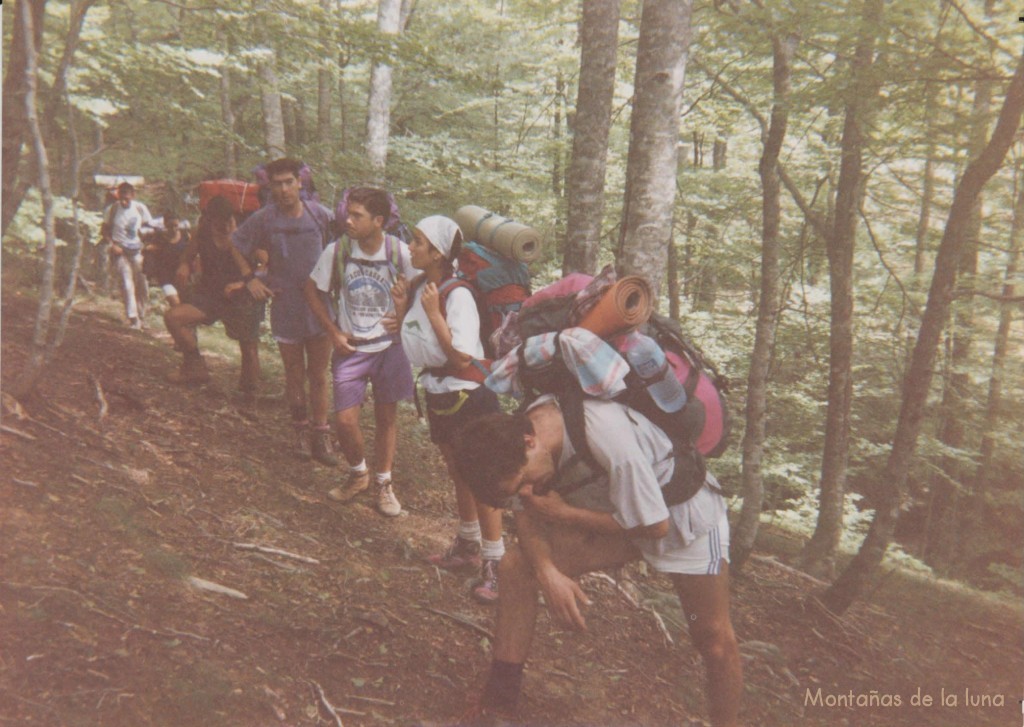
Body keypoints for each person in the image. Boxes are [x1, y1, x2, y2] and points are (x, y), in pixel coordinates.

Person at [450, 396, 743, 726]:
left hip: (683, 520)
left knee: (714, 638)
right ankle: (498, 706)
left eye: (523, 482)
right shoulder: (514, 439)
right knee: (517, 569)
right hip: (613, 516)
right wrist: (547, 573)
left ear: (529, 442)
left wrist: (564, 514)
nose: (527, 492)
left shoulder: (607, 436)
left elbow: (656, 526)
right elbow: (527, 514)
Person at [388, 216, 506, 603]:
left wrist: (435, 315)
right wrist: (403, 310)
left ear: (437, 252)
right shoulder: (426, 286)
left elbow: (459, 356)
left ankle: (496, 564)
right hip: (440, 392)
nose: (411, 246)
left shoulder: (459, 296)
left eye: (418, 241)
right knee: (458, 472)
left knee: (483, 478)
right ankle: (468, 545)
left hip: (468, 395)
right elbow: (418, 340)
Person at [304, 188, 416, 515]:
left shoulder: (400, 252)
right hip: (351, 347)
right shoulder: (338, 251)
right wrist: (333, 330)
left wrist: (405, 316)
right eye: (348, 213)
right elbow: (311, 289)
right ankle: (358, 473)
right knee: (345, 421)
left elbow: (425, 288)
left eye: (357, 216)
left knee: (386, 418)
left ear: (378, 221)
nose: (347, 220)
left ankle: (383, 483)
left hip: (390, 348)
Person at [235, 158, 338, 465]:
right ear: (270, 187)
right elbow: (236, 245)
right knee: (294, 374)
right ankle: (300, 431)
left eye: (288, 182)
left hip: (320, 306)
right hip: (286, 307)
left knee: (319, 374)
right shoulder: (263, 219)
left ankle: (321, 433)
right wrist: (249, 278)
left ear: (299, 183)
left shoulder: (320, 215)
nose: (283, 189)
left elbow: (342, 247)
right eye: (276, 184)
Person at [163, 196, 264, 397]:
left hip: (241, 296)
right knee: (173, 317)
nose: (225, 228)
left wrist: (243, 283)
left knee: (249, 345)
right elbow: (188, 255)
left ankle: (249, 393)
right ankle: (194, 366)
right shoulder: (202, 233)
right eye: (219, 224)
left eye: (229, 222)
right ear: (209, 220)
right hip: (210, 294)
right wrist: (184, 265)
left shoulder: (245, 234)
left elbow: (262, 269)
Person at [101, 181, 152, 329]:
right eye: (121, 196)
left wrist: (148, 245)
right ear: (118, 195)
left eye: (127, 197)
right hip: (120, 251)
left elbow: (150, 227)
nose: (124, 200)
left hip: (138, 250)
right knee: (127, 284)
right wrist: (112, 245)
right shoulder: (112, 210)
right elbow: (104, 231)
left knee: (142, 284)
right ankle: (133, 318)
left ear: (133, 196)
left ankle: (142, 316)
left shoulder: (140, 208)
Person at [143, 211, 191, 308]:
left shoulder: (185, 236)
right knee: (175, 303)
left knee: (185, 304)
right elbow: (149, 252)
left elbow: (191, 252)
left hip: (182, 276)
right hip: (166, 277)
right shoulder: (159, 238)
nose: (173, 229)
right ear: (165, 224)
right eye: (170, 226)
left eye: (176, 226)